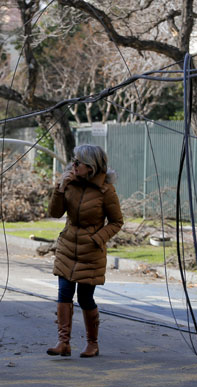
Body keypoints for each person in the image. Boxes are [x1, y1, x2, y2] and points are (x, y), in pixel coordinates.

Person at [46, 144, 123, 358]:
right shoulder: (70, 183)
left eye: (78, 162)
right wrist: (60, 188)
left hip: (91, 252)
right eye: (73, 160)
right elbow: (54, 212)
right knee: (63, 293)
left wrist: (97, 238)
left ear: (91, 166)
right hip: (68, 248)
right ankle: (63, 342)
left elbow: (117, 222)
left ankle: (92, 343)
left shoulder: (106, 190)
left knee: (85, 298)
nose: (74, 165)